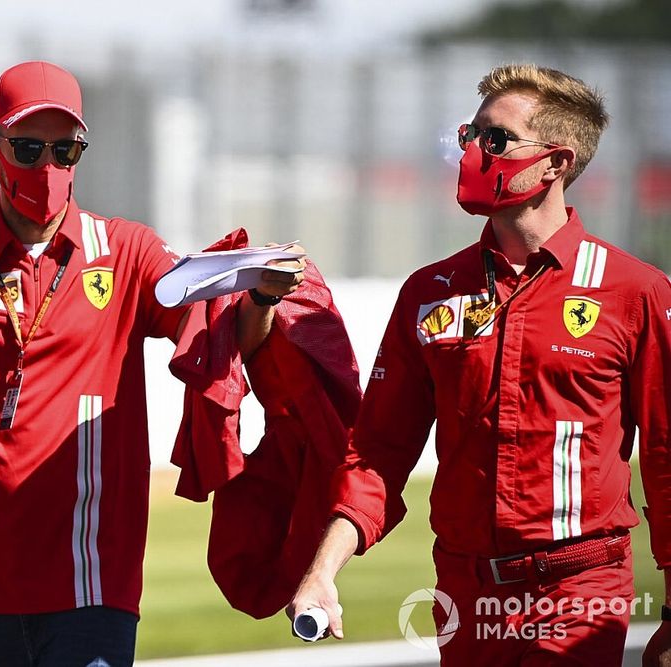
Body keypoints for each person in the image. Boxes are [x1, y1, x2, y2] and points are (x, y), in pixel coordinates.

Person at [0, 60, 305, 667]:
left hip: (89, 583)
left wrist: (261, 293)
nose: (48, 167)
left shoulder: (128, 251)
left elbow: (226, 333)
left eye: (66, 149)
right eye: (28, 147)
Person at [287, 64, 671, 666]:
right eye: (469, 135)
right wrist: (322, 570)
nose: (472, 151)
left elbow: (668, 455)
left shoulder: (634, 291)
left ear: (555, 162)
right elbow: (379, 451)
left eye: (494, 139)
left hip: (579, 584)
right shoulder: (429, 291)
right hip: (464, 587)